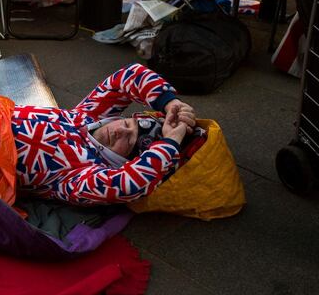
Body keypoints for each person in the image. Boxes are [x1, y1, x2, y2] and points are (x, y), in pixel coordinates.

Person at [11, 63, 197, 205]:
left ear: (127, 162)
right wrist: (170, 103)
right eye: (126, 123)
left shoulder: (82, 174)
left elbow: (130, 184)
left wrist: (170, 142)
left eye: (130, 139)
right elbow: (129, 75)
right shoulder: (90, 116)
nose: (118, 131)